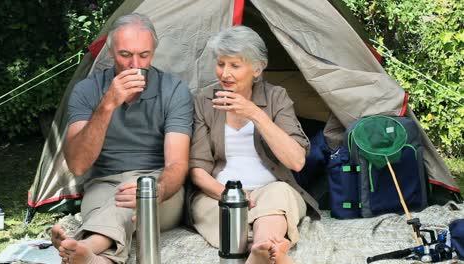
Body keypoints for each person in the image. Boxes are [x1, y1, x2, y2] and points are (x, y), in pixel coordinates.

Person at [51, 13, 193, 264]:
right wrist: (108, 104)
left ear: (154, 52)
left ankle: (85, 246)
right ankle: (94, 259)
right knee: (115, 206)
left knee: (133, 201)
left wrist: (157, 189)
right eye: (125, 55)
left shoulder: (174, 90)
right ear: (110, 52)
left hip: (159, 187)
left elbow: (177, 164)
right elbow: (77, 165)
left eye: (144, 55)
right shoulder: (87, 90)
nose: (135, 64)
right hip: (104, 185)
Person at [188, 26, 321, 264]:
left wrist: (255, 114)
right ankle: (267, 250)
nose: (225, 73)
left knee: (279, 197)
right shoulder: (204, 101)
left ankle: (260, 248)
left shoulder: (275, 97)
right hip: (218, 194)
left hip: (269, 189)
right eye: (221, 64)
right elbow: (197, 170)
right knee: (221, 213)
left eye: (235, 66)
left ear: (257, 69)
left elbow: (296, 161)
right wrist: (232, 195)